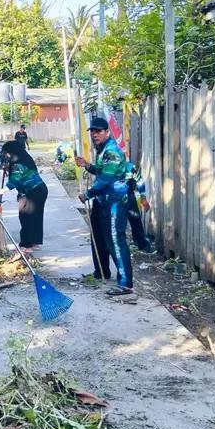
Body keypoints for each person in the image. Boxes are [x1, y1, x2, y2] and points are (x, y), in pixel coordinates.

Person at [76, 117, 133, 296]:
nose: (94, 134)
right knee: (98, 238)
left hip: (114, 203)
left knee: (115, 240)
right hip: (103, 202)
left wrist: (88, 194)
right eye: (92, 131)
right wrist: (87, 166)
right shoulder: (102, 151)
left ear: (107, 132)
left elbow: (106, 180)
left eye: (98, 131)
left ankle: (125, 283)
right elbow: (102, 171)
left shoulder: (112, 152)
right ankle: (102, 271)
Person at [0, 140, 48, 252]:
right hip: (40, 190)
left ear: (12, 152)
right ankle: (35, 243)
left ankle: (26, 246)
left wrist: (4, 189)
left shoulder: (17, 163)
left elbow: (15, 180)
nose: (6, 156)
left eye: (7, 153)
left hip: (32, 192)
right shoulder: (24, 158)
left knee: (26, 217)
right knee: (36, 217)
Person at [125, 161, 155, 254]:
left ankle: (142, 244)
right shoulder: (107, 166)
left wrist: (143, 198)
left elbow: (140, 181)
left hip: (128, 197)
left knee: (136, 221)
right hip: (114, 199)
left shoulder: (130, 167)